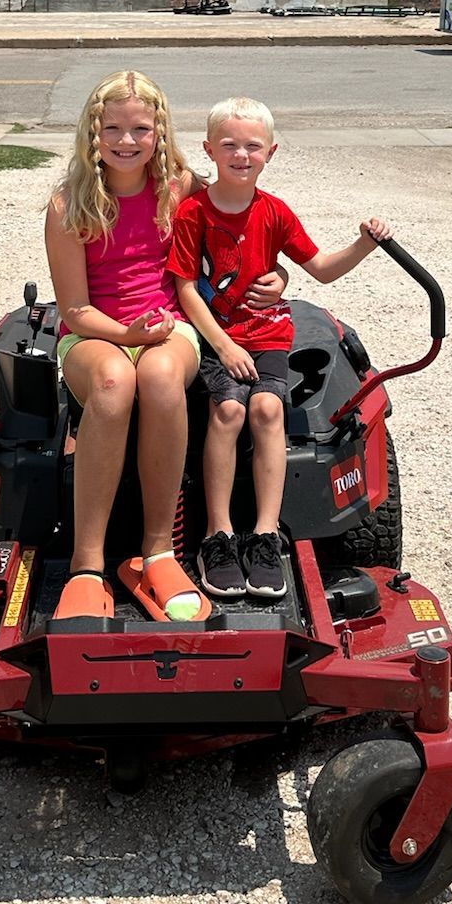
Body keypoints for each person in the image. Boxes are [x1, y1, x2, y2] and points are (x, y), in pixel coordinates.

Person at [43, 70, 288, 625]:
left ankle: (158, 551)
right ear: (92, 132)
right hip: (96, 332)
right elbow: (74, 310)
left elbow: (240, 219)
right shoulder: (66, 206)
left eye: (140, 129)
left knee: (157, 377)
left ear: (159, 133)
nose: (126, 141)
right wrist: (128, 335)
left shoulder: (179, 186)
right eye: (113, 128)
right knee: (112, 381)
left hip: (169, 323)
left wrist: (275, 277)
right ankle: (87, 565)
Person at [168, 96, 391, 602]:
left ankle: (266, 534)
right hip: (213, 337)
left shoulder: (274, 212)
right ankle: (217, 535)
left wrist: (364, 244)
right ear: (209, 150)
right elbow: (184, 288)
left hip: (266, 333)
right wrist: (221, 346)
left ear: (271, 152)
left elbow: (323, 268)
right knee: (227, 410)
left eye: (252, 146)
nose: (241, 155)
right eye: (229, 145)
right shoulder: (192, 214)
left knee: (268, 408)